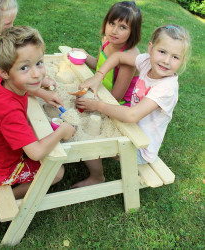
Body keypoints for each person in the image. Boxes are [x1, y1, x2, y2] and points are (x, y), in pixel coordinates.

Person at [74, 24, 191, 188]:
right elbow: (118, 57)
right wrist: (99, 76)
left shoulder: (166, 88)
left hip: (141, 147)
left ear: (182, 61)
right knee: (89, 121)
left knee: (88, 138)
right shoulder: (146, 61)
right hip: (128, 128)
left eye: (175, 57)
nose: (166, 61)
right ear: (150, 48)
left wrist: (98, 105)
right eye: (162, 52)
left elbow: (131, 115)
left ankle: (97, 177)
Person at [0, 26, 75, 199]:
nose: (36, 74)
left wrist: (43, 93)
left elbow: (22, 87)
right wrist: (62, 131)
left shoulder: (3, 84)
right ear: (4, 72)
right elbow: (35, 152)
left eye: (39, 63)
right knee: (57, 172)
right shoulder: (9, 111)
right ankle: (9, 197)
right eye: (24, 68)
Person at [72, 1, 142, 106]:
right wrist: (85, 56)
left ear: (133, 32)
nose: (114, 31)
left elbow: (116, 97)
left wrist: (90, 95)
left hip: (119, 104)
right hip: (101, 89)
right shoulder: (106, 41)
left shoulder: (129, 57)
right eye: (112, 23)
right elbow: (99, 65)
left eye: (122, 27)